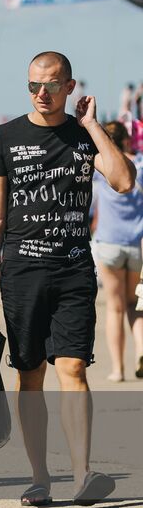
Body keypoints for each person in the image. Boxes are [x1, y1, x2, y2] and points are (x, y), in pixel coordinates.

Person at [0, 51, 136, 507]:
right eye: (32, 86)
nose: (41, 93)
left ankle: (83, 474)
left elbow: (123, 181)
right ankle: (40, 477)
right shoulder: (6, 137)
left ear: (70, 86)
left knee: (74, 368)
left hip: (73, 270)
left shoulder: (83, 137)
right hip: (23, 271)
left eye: (50, 85)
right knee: (30, 376)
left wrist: (92, 126)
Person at [90, 121, 143, 382]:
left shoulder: (101, 165)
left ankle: (118, 369)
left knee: (115, 307)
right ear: (125, 140)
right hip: (137, 245)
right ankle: (141, 351)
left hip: (109, 243)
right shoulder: (140, 165)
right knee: (135, 304)